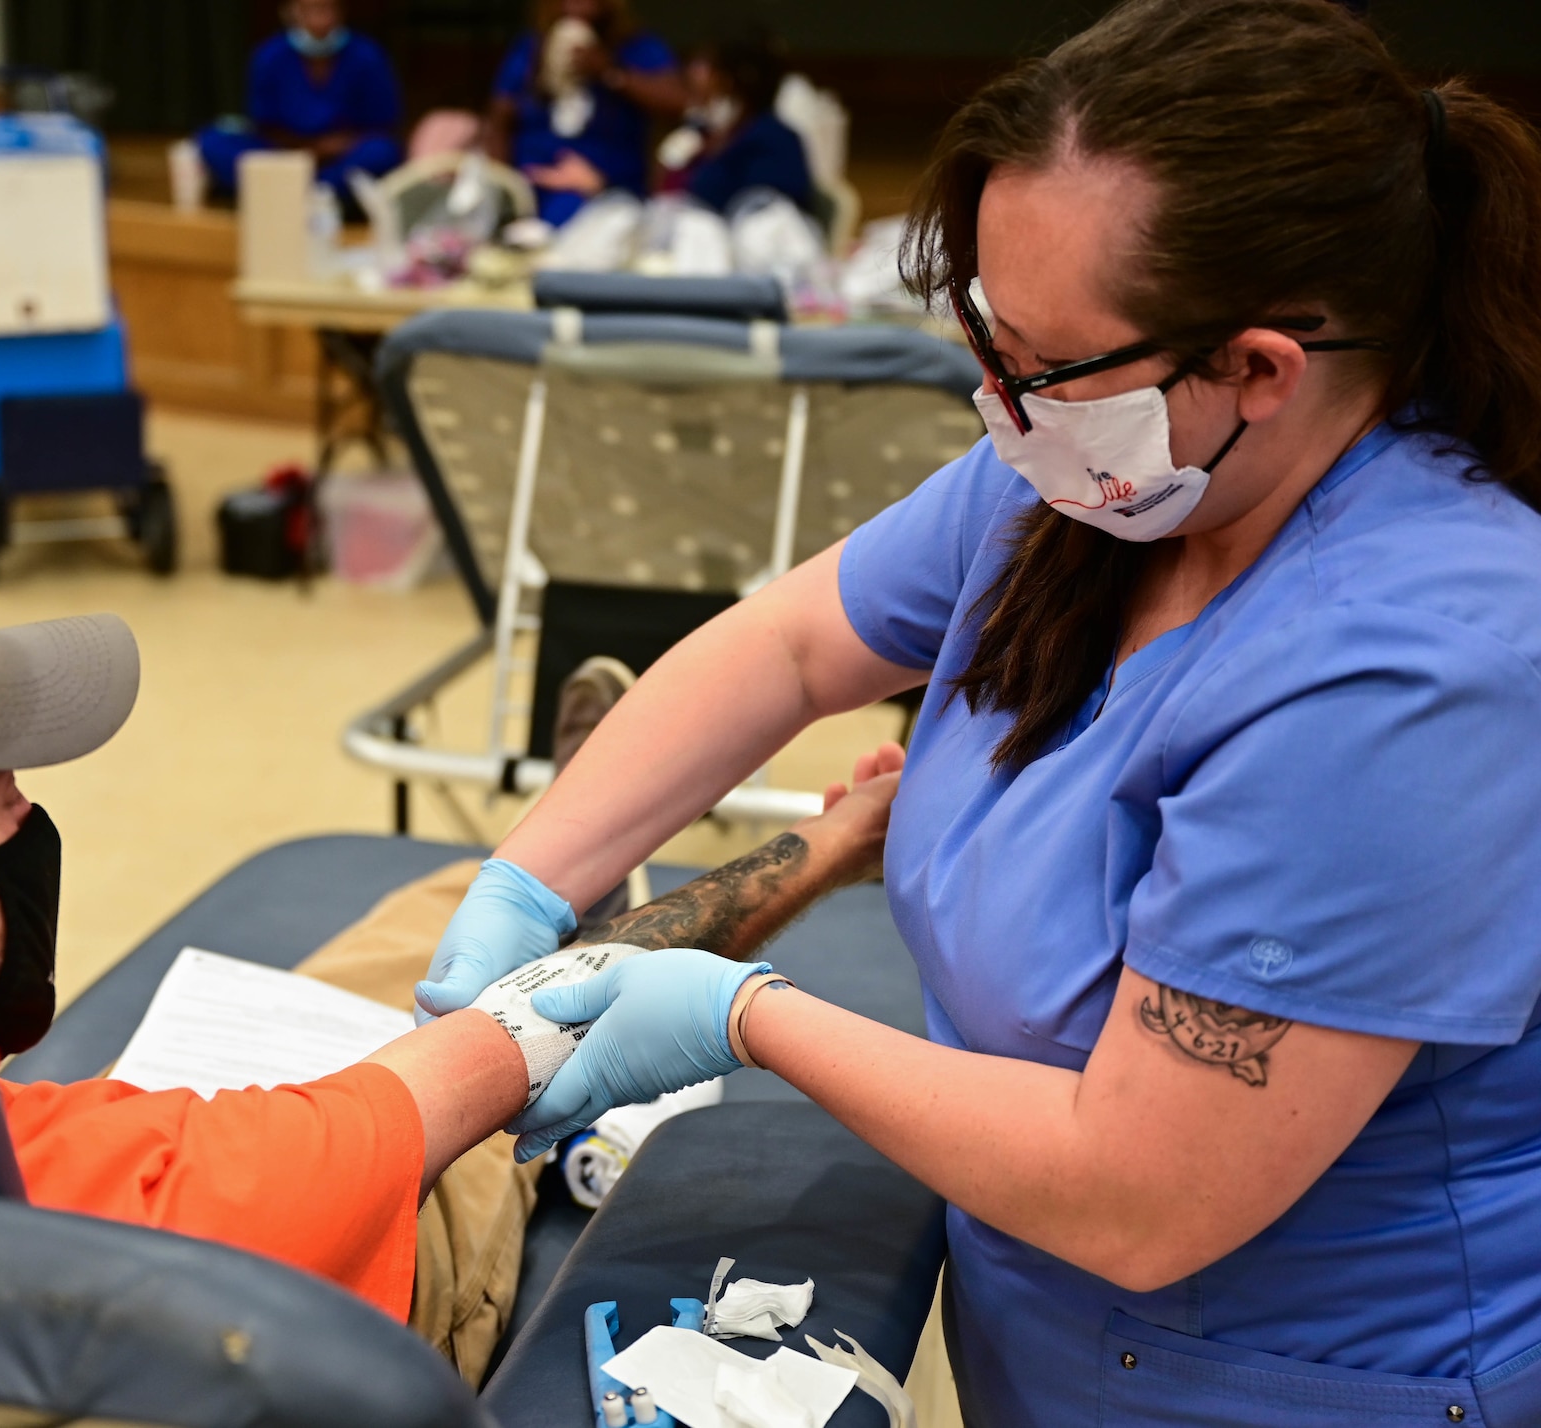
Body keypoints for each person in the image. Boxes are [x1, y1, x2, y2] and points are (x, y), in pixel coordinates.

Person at [416, 0, 1541, 1421]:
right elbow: (790, 643)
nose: (997, 403)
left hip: (1299, 1378)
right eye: (987, 336)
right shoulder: (1089, 480)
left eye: (1044, 365)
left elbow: (1144, 1194)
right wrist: (529, 878)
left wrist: (742, 1016)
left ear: (1259, 368)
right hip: (1053, 1330)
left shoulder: (1406, 677)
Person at [0, 564, 896, 1380]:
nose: (25, 807)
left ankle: (546, 834)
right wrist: (833, 844)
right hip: (354, 1251)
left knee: (438, 914)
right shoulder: (168, 1190)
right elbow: (530, 1026)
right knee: (511, 962)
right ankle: (595, 854)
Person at [483, 0, 684, 226]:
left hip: (605, 193)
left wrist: (610, 73)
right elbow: (499, 121)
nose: (577, 7)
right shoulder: (529, 49)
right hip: (532, 190)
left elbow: (678, 103)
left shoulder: (637, 48)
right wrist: (505, 191)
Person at [196, 0, 402, 201]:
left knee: (382, 152)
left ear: (341, 11)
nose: (319, 19)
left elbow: (382, 123)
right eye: (309, 9)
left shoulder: (367, 55)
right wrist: (302, 152)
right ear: (290, 12)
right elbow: (262, 122)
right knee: (213, 140)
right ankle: (307, 191)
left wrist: (327, 150)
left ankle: (298, 191)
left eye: (326, 8)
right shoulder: (269, 55)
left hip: (341, 157)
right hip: (282, 153)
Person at [659, 33, 813, 217]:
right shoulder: (705, 132)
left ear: (729, 80)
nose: (691, 72)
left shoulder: (773, 141)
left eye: (706, 66)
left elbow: (763, 221)